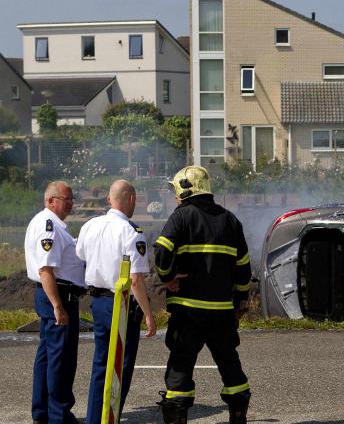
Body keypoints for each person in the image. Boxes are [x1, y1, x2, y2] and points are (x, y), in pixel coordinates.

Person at [154, 166, 253, 423]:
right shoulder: (231, 220)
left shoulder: (181, 216)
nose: (175, 197)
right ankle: (239, 413)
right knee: (230, 364)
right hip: (221, 311)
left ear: (185, 189)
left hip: (188, 312)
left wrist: (167, 277)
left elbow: (162, 251)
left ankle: (177, 417)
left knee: (181, 366)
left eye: (175, 191)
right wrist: (241, 301)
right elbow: (243, 267)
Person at [76, 180, 157, 424]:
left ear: (110, 199)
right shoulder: (131, 232)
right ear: (131, 198)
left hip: (98, 301)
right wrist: (149, 315)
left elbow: (80, 256)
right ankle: (110, 418)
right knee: (121, 366)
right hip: (121, 305)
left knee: (101, 363)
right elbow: (135, 279)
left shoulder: (89, 225)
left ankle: (94, 418)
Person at [25, 181, 87, 424]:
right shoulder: (48, 226)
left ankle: (42, 412)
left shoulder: (53, 224)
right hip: (58, 296)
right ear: (51, 201)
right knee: (61, 359)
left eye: (72, 198)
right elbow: (46, 269)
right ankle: (59, 416)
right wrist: (58, 306)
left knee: (48, 357)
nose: (71, 203)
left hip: (58, 295)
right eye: (66, 198)